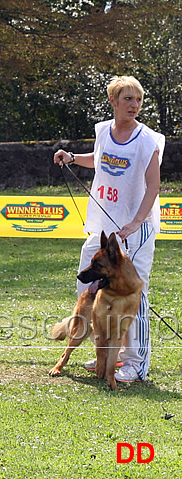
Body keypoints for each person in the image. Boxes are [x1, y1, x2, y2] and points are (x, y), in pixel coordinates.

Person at [54, 75, 164, 384]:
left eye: (138, 100)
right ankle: (105, 351)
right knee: (88, 289)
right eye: (128, 99)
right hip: (103, 227)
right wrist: (73, 158)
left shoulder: (147, 140)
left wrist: (136, 223)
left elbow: (153, 187)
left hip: (135, 228)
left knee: (133, 295)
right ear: (114, 101)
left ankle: (135, 363)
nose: (134, 105)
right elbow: (100, 160)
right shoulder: (103, 131)